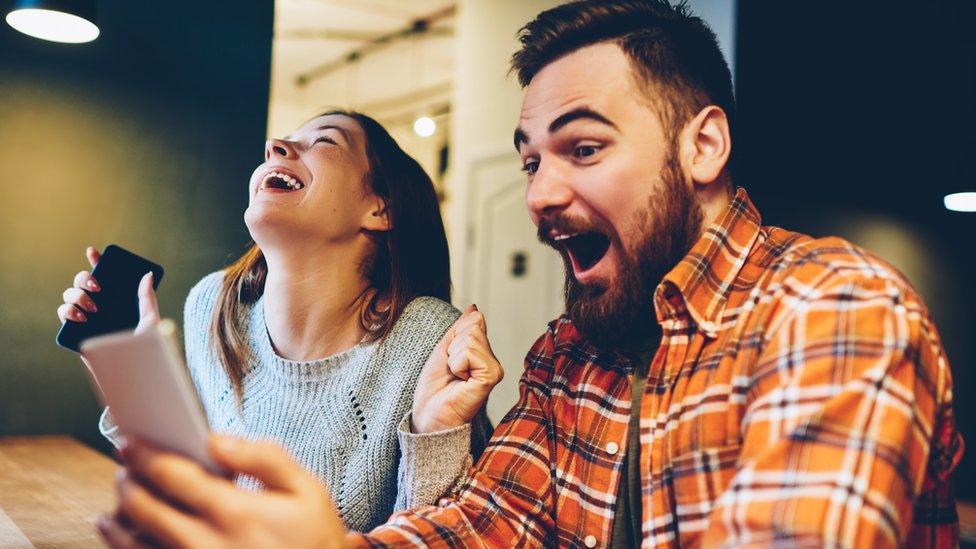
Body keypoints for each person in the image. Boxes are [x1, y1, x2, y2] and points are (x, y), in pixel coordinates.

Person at [96, 1, 963, 547]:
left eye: (583, 148)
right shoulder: (567, 357)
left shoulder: (832, 307)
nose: (542, 194)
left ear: (703, 145)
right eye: (528, 162)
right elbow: (479, 526)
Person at [57, 110, 497, 533]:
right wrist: (132, 383)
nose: (275, 147)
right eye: (280, 144)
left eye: (324, 141)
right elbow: (191, 497)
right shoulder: (213, 306)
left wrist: (436, 437)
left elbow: (443, 534)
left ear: (379, 209)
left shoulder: (429, 339)